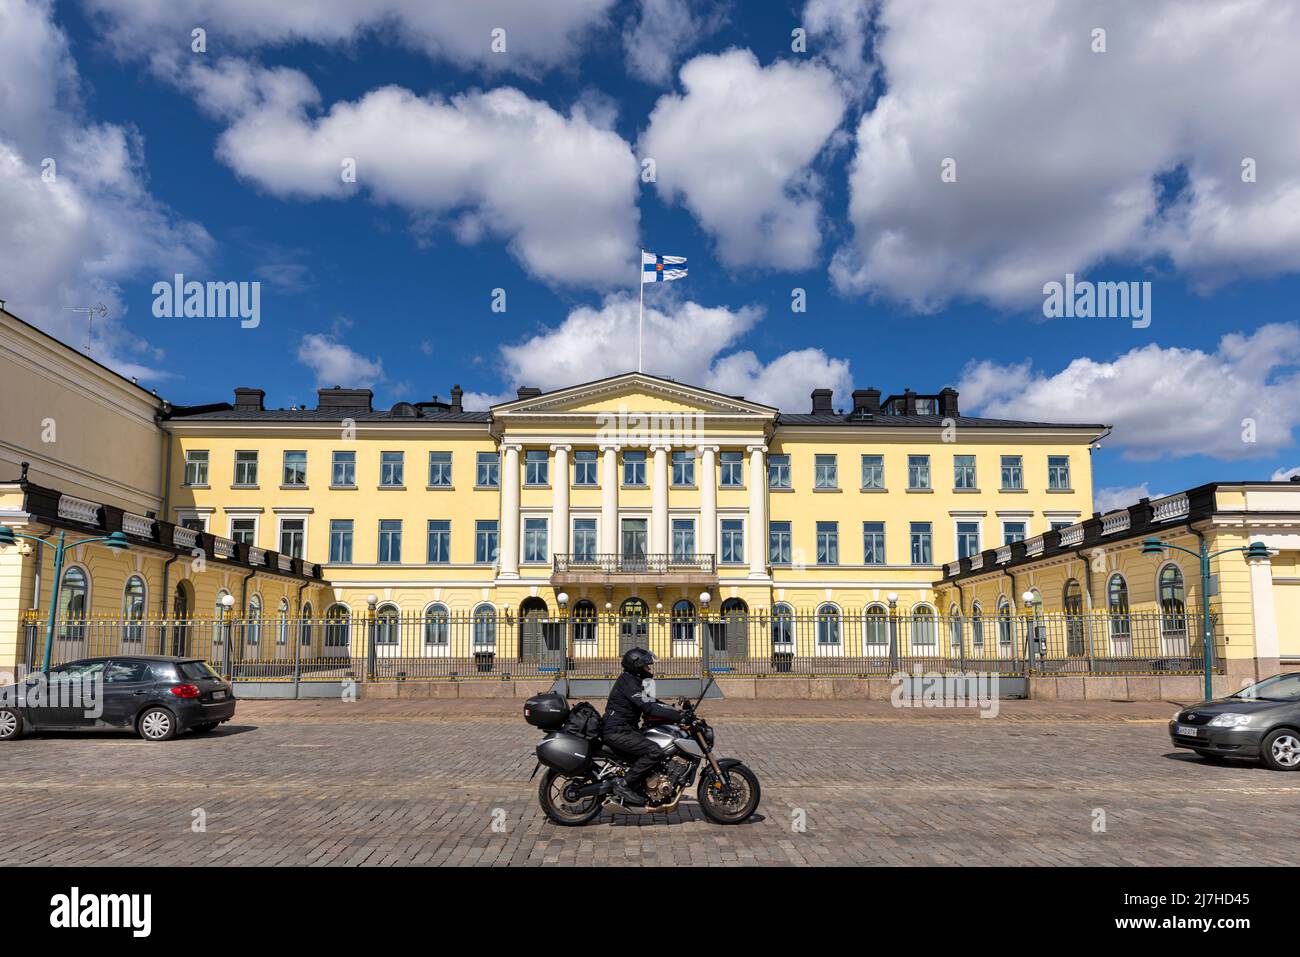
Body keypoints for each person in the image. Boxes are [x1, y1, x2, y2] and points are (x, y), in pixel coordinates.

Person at [603, 647, 684, 806]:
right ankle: (623, 785)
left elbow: (652, 702)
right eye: (647, 665)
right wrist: (678, 716)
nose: (649, 668)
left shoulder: (635, 680)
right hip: (617, 731)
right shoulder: (628, 682)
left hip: (625, 729)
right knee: (654, 751)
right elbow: (649, 707)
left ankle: (641, 784)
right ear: (637, 666)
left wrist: (674, 711)